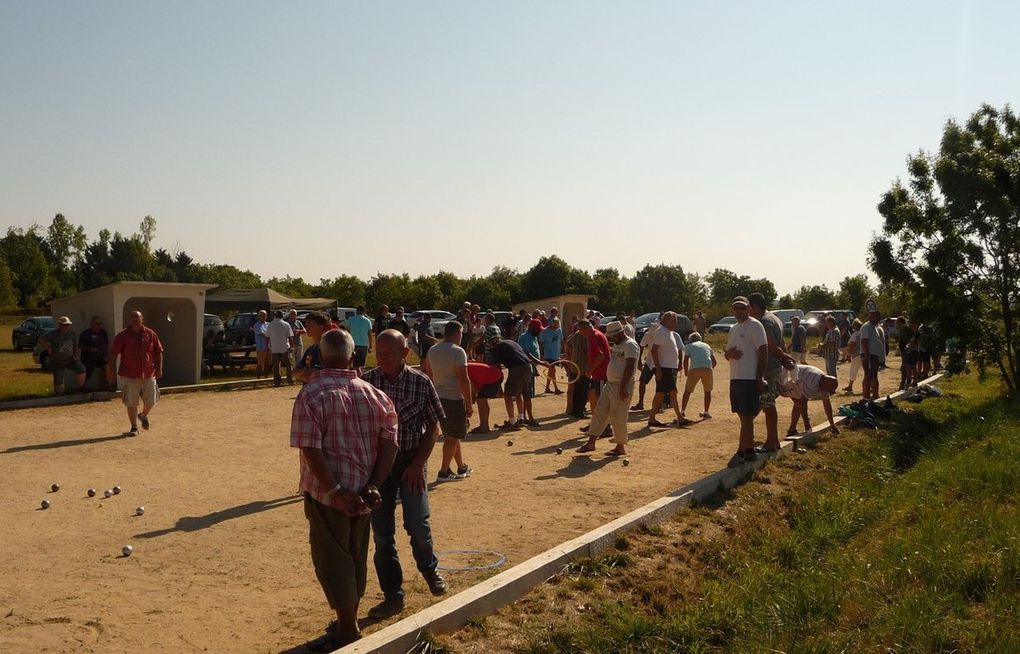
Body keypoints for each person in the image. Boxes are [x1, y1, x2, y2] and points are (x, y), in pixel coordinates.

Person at [290, 328, 398, 650]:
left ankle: (347, 631)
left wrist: (336, 491)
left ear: (320, 357)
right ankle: (347, 622)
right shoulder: (375, 394)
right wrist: (373, 486)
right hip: (364, 494)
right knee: (355, 555)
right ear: (354, 357)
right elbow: (389, 446)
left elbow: (311, 449)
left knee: (333, 559)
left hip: (329, 496)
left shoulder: (311, 394)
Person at [360, 330, 449, 619]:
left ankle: (429, 570)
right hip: (379, 467)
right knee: (383, 534)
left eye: (389, 351)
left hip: (411, 460)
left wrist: (417, 464)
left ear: (405, 353)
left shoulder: (421, 383)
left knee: (417, 524)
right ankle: (393, 595)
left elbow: (433, 428)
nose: (382, 355)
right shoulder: (367, 383)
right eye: (379, 350)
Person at [575, 321, 638, 456]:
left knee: (618, 416)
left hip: (621, 384)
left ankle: (620, 446)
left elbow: (630, 366)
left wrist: (623, 387)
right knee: (600, 411)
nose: (612, 338)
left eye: (614, 335)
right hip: (610, 383)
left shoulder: (630, 345)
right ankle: (591, 442)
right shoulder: (617, 344)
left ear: (621, 332)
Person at [424, 321, 474, 482]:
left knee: (452, 433)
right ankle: (444, 471)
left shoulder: (433, 350)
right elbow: (463, 379)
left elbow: (429, 375)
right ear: (458, 333)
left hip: (438, 396)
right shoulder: (458, 351)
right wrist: (469, 402)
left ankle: (461, 466)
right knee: (452, 437)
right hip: (454, 398)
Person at [747, 293, 795, 453]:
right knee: (768, 404)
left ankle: (770, 442)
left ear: (754, 307)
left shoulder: (764, 322)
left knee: (768, 405)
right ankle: (773, 440)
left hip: (768, 367)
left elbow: (772, 346)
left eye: (748, 308)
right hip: (774, 366)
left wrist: (783, 357)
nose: (748, 312)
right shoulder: (775, 318)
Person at [724, 296, 768, 467]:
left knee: (747, 416)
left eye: (742, 308)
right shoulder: (734, 328)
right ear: (732, 310)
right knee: (742, 416)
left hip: (749, 377)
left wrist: (759, 377)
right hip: (735, 377)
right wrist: (729, 355)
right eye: (736, 308)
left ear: (749, 309)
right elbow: (728, 352)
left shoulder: (755, 326)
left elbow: (763, 351)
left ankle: (742, 451)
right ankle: (749, 450)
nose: (739, 311)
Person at [106, 311, 163, 436]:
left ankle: (142, 415)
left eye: (137, 317)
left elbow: (158, 351)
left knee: (151, 401)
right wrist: (111, 372)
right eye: (132, 317)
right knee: (131, 402)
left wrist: (159, 369)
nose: (134, 320)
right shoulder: (122, 336)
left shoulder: (150, 334)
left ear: (142, 319)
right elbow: (114, 354)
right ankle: (133, 427)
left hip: (148, 373)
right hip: (129, 374)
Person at [487, 332, 545, 429]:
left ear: (491, 343)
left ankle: (512, 422)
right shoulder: (511, 342)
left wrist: (498, 386)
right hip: (528, 367)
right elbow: (527, 353)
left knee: (507, 395)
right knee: (520, 393)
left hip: (517, 369)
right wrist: (541, 363)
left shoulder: (496, 348)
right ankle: (521, 418)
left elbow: (496, 368)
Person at [646, 311, 685, 428]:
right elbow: (654, 350)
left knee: (665, 392)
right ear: (667, 320)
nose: (676, 323)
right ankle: (679, 418)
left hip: (667, 367)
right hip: (664, 367)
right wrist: (658, 369)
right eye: (674, 320)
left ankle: (677, 417)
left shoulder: (668, 332)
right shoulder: (662, 331)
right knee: (667, 392)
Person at [781, 364, 841, 436]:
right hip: (787, 377)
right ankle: (789, 431)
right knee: (798, 403)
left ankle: (792, 430)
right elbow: (803, 402)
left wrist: (832, 424)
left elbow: (827, 405)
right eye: (829, 390)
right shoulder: (812, 383)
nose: (828, 392)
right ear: (825, 385)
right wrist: (806, 422)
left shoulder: (824, 384)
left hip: (798, 379)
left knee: (798, 404)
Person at [40, 315, 87, 394]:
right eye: (64, 325)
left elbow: (75, 345)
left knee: (82, 369)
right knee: (58, 381)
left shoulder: (71, 334)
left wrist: (76, 356)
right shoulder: (53, 333)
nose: (66, 326)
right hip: (57, 361)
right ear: (60, 325)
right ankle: (59, 395)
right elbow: (42, 339)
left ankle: (80, 388)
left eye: (68, 325)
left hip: (70, 359)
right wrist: (48, 347)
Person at [579, 320, 610, 434]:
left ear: (585, 328)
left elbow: (601, 356)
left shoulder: (594, 337)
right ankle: (595, 423)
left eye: (580, 331)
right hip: (597, 374)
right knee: (592, 396)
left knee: (601, 401)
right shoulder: (595, 335)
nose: (581, 334)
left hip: (601, 374)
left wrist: (590, 369)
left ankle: (606, 427)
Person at [680, 332, 717, 420]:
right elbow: (714, 362)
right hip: (707, 368)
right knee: (707, 391)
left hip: (695, 368)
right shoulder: (707, 345)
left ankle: (682, 410)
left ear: (690, 340)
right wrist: (708, 368)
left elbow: (685, 360)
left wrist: (686, 371)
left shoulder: (689, 346)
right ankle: (706, 411)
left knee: (688, 390)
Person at [516, 319, 543, 424]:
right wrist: (540, 362)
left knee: (527, 394)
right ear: (531, 328)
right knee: (527, 394)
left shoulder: (534, 336)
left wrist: (540, 361)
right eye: (537, 329)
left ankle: (525, 417)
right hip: (524, 368)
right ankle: (529, 418)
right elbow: (526, 353)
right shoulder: (524, 337)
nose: (539, 331)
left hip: (530, 368)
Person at [466, 361, 502, 434]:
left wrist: (471, 399)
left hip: (493, 377)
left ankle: (484, 427)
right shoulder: (461, 367)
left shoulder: (461, 370)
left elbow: (471, 385)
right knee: (481, 399)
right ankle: (484, 426)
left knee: (481, 400)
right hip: (493, 374)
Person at [294, 312, 331, 383]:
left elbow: (317, 377)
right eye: (306, 325)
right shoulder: (311, 349)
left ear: (321, 327)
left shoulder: (327, 350)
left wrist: (302, 374)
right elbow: (294, 372)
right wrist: (307, 369)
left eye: (310, 325)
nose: (307, 328)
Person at [563, 321, 589, 418]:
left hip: (573, 366)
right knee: (580, 390)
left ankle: (572, 410)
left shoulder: (572, 337)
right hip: (578, 367)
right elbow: (586, 351)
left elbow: (567, 351)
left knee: (574, 389)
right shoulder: (582, 337)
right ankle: (576, 410)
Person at [78, 316, 109, 390]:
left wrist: (106, 355)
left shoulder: (103, 333)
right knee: (86, 370)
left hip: (100, 357)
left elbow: (106, 345)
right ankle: (82, 387)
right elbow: (80, 346)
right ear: (92, 324)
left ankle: (109, 384)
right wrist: (89, 349)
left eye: (100, 323)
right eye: (97, 323)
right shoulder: (86, 333)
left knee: (107, 366)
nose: (99, 325)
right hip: (88, 358)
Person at [860, 309, 884, 399]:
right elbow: (864, 341)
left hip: (874, 355)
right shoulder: (866, 327)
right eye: (877, 316)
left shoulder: (874, 327)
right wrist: (867, 355)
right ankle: (866, 396)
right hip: (868, 354)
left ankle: (875, 395)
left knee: (874, 375)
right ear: (871, 316)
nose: (878, 319)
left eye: (879, 317)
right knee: (868, 375)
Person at [266, 310, 295, 386]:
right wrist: (292, 346)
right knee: (288, 365)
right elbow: (290, 336)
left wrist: (268, 346)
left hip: (275, 348)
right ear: (282, 316)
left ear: (275, 316)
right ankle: (290, 380)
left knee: (276, 366)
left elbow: (267, 337)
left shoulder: (270, 324)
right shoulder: (286, 324)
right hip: (285, 347)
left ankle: (277, 382)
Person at [539, 317, 563, 394]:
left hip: (556, 354)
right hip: (548, 354)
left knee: (551, 371)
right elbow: (541, 343)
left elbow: (561, 340)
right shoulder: (545, 331)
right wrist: (542, 354)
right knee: (552, 370)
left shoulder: (559, 330)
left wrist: (563, 352)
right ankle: (556, 388)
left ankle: (547, 387)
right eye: (555, 325)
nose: (556, 327)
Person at [345, 306, 373, 372]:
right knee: (362, 364)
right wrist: (370, 346)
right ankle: (361, 376)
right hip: (364, 344)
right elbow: (369, 334)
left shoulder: (350, 319)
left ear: (357, 311)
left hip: (354, 344)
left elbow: (347, 332)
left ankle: (356, 376)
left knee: (355, 364)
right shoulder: (367, 321)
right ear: (364, 312)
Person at [843, 319, 864, 394]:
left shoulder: (855, 334)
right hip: (864, 353)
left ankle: (850, 386)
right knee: (866, 370)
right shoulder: (863, 333)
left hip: (857, 354)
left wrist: (849, 352)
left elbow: (852, 344)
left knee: (853, 370)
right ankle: (870, 386)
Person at [253, 310, 270, 378]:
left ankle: (266, 376)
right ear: (259, 316)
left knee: (267, 362)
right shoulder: (257, 325)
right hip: (261, 347)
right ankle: (258, 377)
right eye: (261, 315)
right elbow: (263, 334)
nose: (263, 317)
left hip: (268, 346)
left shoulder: (268, 324)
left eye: (264, 315)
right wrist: (269, 335)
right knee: (260, 363)